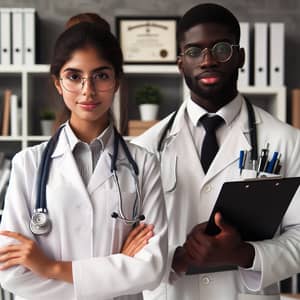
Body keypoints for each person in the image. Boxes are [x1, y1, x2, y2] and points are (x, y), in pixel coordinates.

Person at [132, 3, 300, 300]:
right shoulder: (145, 148)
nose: (207, 60)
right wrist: (178, 258)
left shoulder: (287, 141)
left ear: (240, 57)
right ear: (180, 62)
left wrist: (244, 253)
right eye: (194, 51)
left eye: (221, 49)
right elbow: (130, 243)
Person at [0, 22, 167, 300]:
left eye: (100, 76)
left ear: (116, 82)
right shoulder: (27, 164)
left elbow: (152, 268)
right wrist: (117, 271)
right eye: (74, 76)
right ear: (58, 83)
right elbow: (11, 272)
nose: (87, 90)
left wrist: (50, 267)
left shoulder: (144, 164)